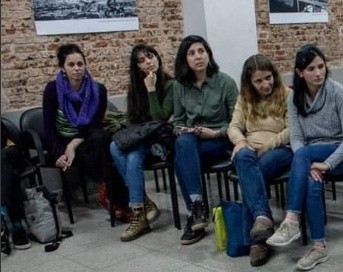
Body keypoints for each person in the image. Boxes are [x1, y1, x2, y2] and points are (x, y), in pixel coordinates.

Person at [265, 44, 343, 271]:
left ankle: (291, 220)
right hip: (312, 154)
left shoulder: (338, 92)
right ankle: (319, 247)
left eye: (321, 66)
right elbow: (296, 137)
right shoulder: (295, 98)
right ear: (300, 72)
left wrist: (327, 163)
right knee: (312, 179)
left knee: (304, 155)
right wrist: (308, 164)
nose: (318, 73)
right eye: (311, 68)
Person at [42, 43, 129, 220]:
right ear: (63, 68)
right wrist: (59, 152)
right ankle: (115, 195)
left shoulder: (98, 90)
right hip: (61, 143)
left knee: (101, 136)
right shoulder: (52, 90)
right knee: (105, 151)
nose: (77, 69)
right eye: (71, 65)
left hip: (86, 139)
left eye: (80, 64)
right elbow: (49, 127)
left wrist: (73, 146)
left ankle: (108, 190)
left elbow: (95, 125)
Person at [172, 35, 238, 245]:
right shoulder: (180, 86)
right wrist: (183, 129)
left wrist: (215, 132)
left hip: (219, 139)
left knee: (180, 159)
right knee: (184, 143)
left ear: (208, 54)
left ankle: (195, 214)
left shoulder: (225, 82)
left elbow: (237, 121)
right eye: (191, 53)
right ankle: (198, 208)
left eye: (201, 51)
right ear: (185, 60)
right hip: (193, 141)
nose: (198, 57)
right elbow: (177, 121)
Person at [228, 53, 292, 267]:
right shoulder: (244, 98)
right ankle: (263, 222)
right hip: (250, 152)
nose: (265, 84)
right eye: (258, 81)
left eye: (268, 78)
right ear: (250, 83)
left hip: (280, 150)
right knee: (245, 157)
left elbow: (292, 130)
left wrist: (266, 146)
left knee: (252, 176)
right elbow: (234, 127)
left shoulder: (287, 95)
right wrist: (240, 142)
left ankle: (255, 241)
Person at [109, 44, 173, 242]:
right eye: (141, 60)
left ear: (157, 57)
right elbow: (132, 123)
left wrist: (152, 90)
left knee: (133, 152)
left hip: (161, 142)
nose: (148, 62)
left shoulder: (172, 85)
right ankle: (143, 204)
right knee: (116, 146)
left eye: (150, 56)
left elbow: (161, 119)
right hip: (143, 141)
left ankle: (139, 212)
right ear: (137, 67)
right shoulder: (135, 90)